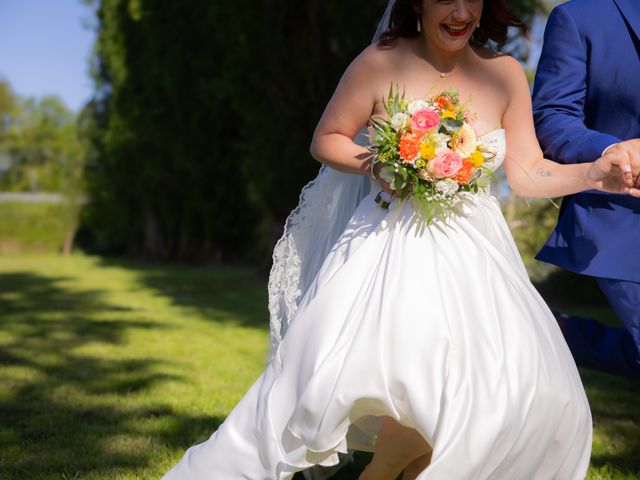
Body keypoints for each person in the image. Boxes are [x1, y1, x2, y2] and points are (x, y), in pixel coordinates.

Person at [163, 1, 639, 478]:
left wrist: (595, 173)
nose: (458, 12)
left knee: (515, 390)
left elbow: (530, 173)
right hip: (390, 241)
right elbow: (327, 137)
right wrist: (377, 163)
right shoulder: (380, 61)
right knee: (402, 368)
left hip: (476, 251)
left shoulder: (505, 72)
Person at [532, 0, 640, 378]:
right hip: (625, 220)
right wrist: (611, 151)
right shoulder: (580, 18)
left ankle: (550, 332)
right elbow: (553, 117)